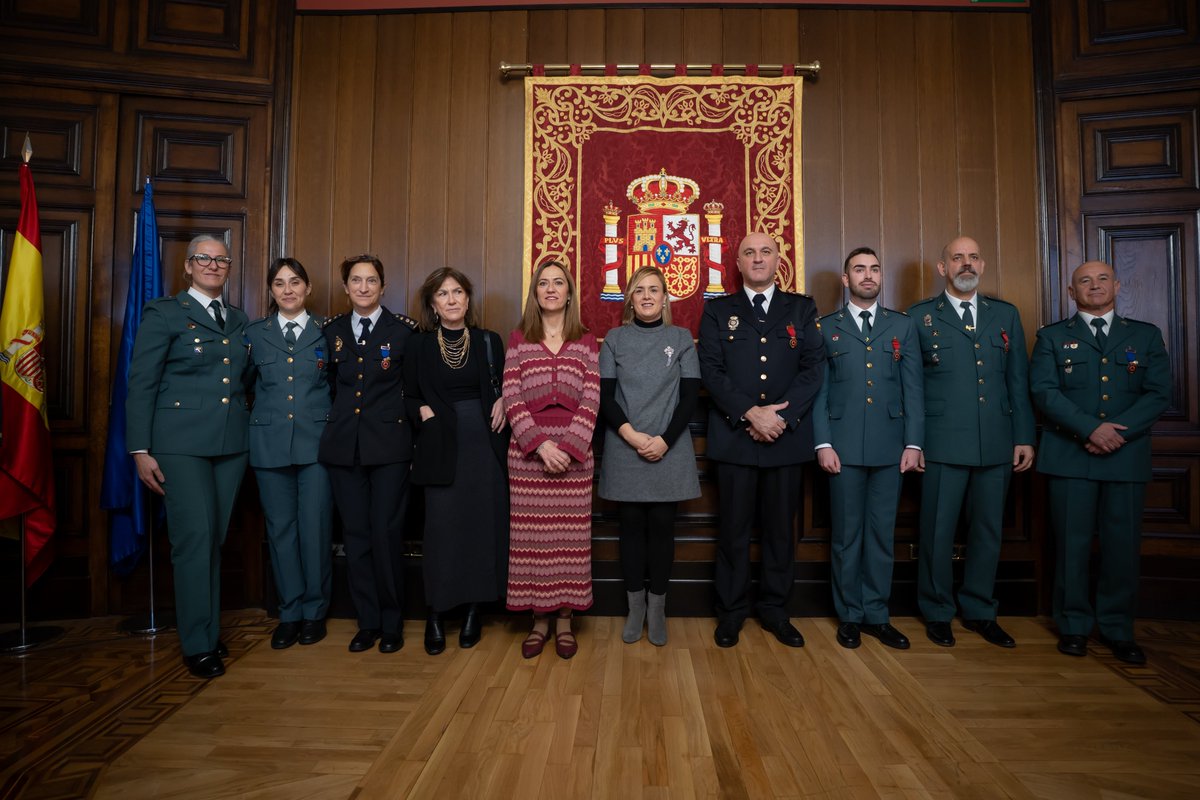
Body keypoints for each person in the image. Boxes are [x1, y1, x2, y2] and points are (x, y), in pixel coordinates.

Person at [1030, 260, 1169, 664]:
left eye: (1102, 279)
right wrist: (1091, 429)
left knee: (1122, 548)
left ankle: (1117, 629)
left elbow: (1158, 393)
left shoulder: (1145, 335)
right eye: (1085, 281)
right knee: (1070, 546)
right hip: (1070, 457)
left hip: (1125, 457)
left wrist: (1117, 434)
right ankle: (1073, 626)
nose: (1095, 286)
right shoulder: (1052, 337)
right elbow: (1044, 391)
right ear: (1071, 292)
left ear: (1117, 286)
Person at [126, 234, 249, 679]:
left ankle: (208, 630)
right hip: (179, 445)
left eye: (221, 260)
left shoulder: (238, 318)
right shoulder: (164, 313)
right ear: (188, 266)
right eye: (203, 258)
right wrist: (139, 449)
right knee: (194, 540)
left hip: (231, 444)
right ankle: (198, 644)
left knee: (212, 539)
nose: (213, 265)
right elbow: (141, 381)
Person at [697, 232, 825, 649]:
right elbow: (711, 370)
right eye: (749, 253)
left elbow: (813, 368)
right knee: (732, 532)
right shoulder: (718, 311)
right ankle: (730, 613)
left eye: (765, 252)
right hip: (736, 438)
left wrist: (779, 418)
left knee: (780, 533)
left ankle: (774, 610)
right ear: (737, 263)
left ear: (777, 260)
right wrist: (752, 413)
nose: (757, 259)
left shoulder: (801, 309)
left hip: (785, 441)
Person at [908, 236, 1036, 648]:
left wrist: (1024, 436)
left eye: (974, 257)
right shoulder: (920, 317)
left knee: (988, 531)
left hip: (996, 440)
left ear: (982, 266)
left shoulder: (1005, 314)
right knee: (937, 532)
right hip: (941, 442)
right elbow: (911, 386)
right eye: (958, 257)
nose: (966, 264)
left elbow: (1017, 380)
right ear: (942, 267)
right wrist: (915, 442)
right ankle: (937, 611)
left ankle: (980, 610)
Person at [813, 247, 923, 650]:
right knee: (846, 536)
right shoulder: (827, 328)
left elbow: (914, 388)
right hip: (841, 448)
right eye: (859, 269)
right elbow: (819, 393)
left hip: (891, 448)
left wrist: (914, 443)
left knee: (881, 535)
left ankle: (877, 614)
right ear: (846, 280)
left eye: (874, 269)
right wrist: (823, 442)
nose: (868, 275)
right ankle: (849, 616)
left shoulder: (902, 326)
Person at [404, 267, 508, 655]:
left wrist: (504, 400)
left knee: (482, 527)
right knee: (442, 531)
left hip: (484, 444)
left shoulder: (488, 341)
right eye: (443, 294)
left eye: (458, 292)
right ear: (433, 303)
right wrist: (424, 413)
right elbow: (408, 395)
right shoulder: (418, 345)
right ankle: (436, 611)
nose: (451, 299)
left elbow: (505, 385)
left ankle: (474, 610)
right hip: (439, 443)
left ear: (467, 299)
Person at [318, 255, 417, 654]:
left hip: (389, 448)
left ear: (383, 286)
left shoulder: (404, 331)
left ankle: (392, 623)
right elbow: (327, 386)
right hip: (345, 448)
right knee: (355, 537)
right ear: (346, 287)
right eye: (356, 280)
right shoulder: (331, 331)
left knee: (386, 534)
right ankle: (368, 621)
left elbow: (412, 389)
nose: (363, 287)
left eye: (371, 280)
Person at [598, 266, 701, 646]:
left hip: (668, 448)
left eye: (653, 290)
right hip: (625, 446)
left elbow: (690, 397)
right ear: (630, 298)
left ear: (664, 298)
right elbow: (605, 397)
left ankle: (657, 607)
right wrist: (631, 435)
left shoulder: (681, 338)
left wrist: (664, 441)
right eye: (639, 290)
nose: (646, 296)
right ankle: (635, 607)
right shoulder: (614, 339)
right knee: (629, 529)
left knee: (661, 527)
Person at [502, 259, 600, 660]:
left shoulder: (587, 341)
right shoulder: (519, 339)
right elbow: (511, 396)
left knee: (569, 544)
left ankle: (564, 619)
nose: (551, 289)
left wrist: (569, 447)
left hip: (575, 458)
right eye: (543, 283)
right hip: (528, 457)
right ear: (535, 293)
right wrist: (541, 445)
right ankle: (538, 619)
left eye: (559, 283)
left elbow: (592, 398)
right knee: (534, 544)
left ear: (569, 293)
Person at [245, 258, 333, 650]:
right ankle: (290, 612)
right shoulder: (254, 334)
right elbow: (244, 384)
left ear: (308, 287)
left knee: (315, 530)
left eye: (295, 282)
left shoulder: (327, 331)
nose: (288, 290)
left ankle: (314, 612)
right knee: (281, 531)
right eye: (279, 283)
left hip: (317, 446)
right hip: (269, 444)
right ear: (271, 291)